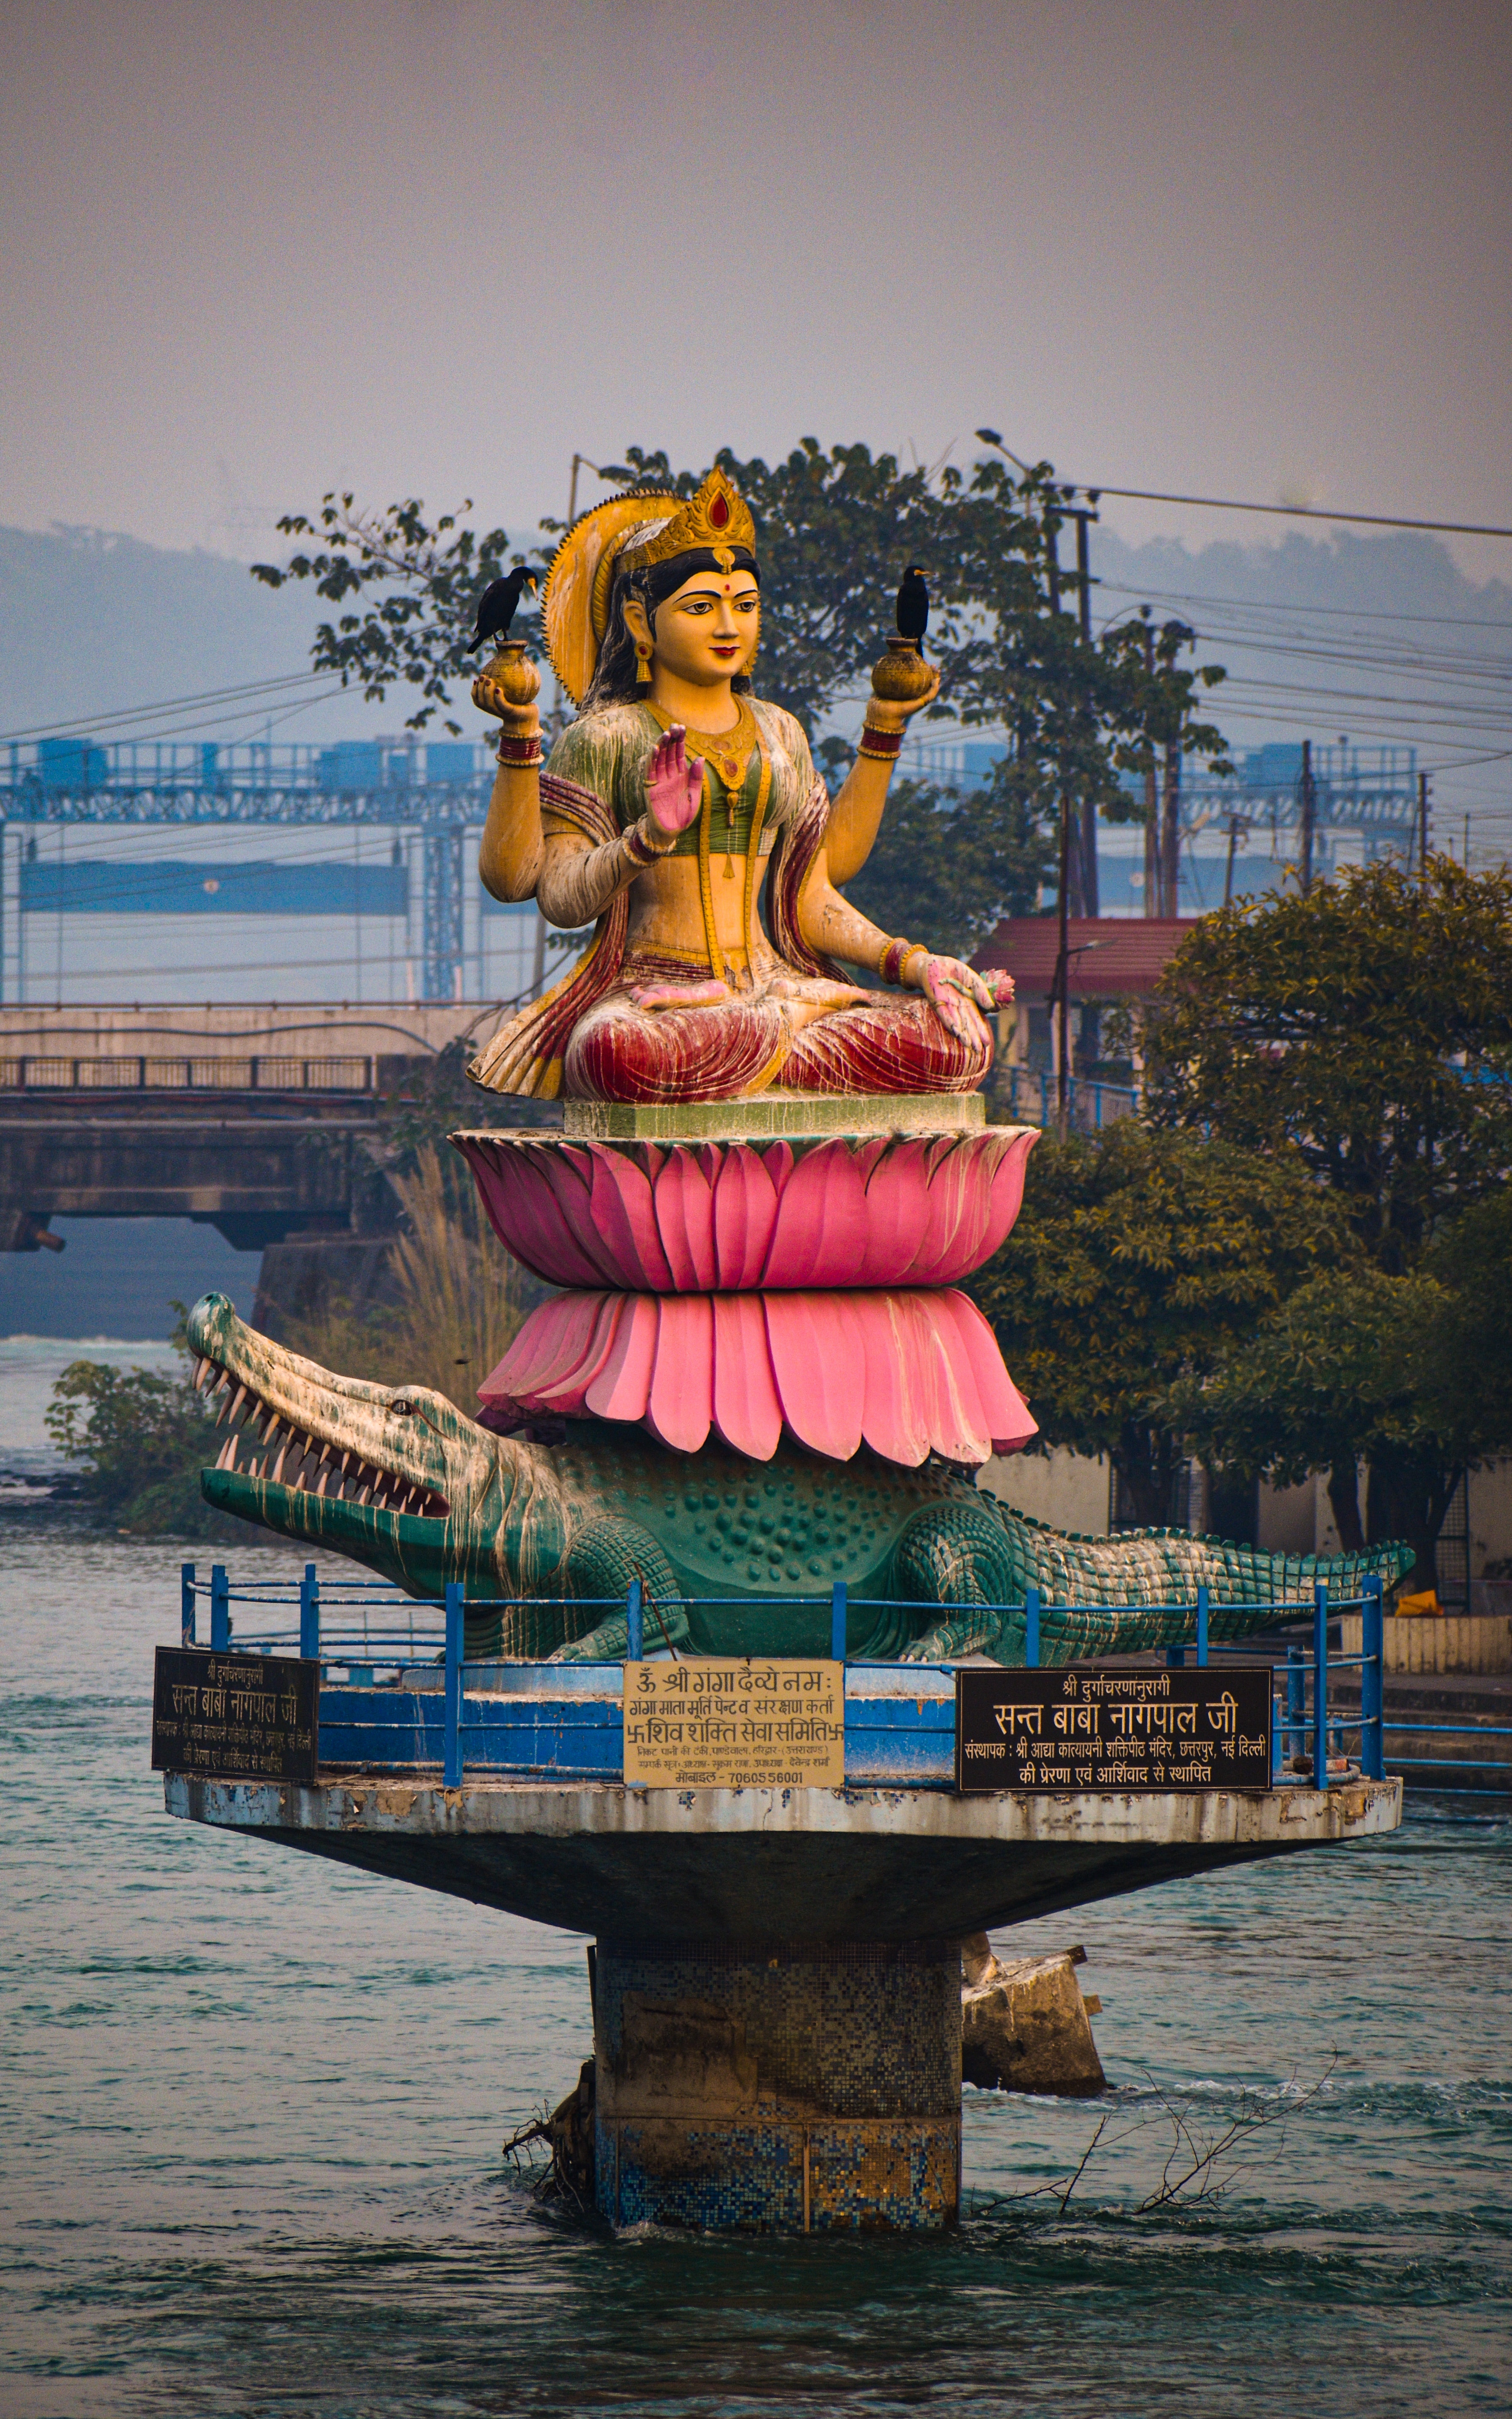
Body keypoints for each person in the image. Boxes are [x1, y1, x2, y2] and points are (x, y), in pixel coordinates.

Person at [468, 468, 1011, 1103]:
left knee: (959, 1043)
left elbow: (814, 895)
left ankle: (775, 1023)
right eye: (702, 608)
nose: (729, 626)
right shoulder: (605, 738)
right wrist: (647, 837)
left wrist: (919, 965)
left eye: (744, 606)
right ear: (640, 622)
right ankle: (780, 1027)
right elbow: (556, 896)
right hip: (657, 1004)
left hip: (768, 986)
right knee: (615, 1053)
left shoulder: (779, 732)